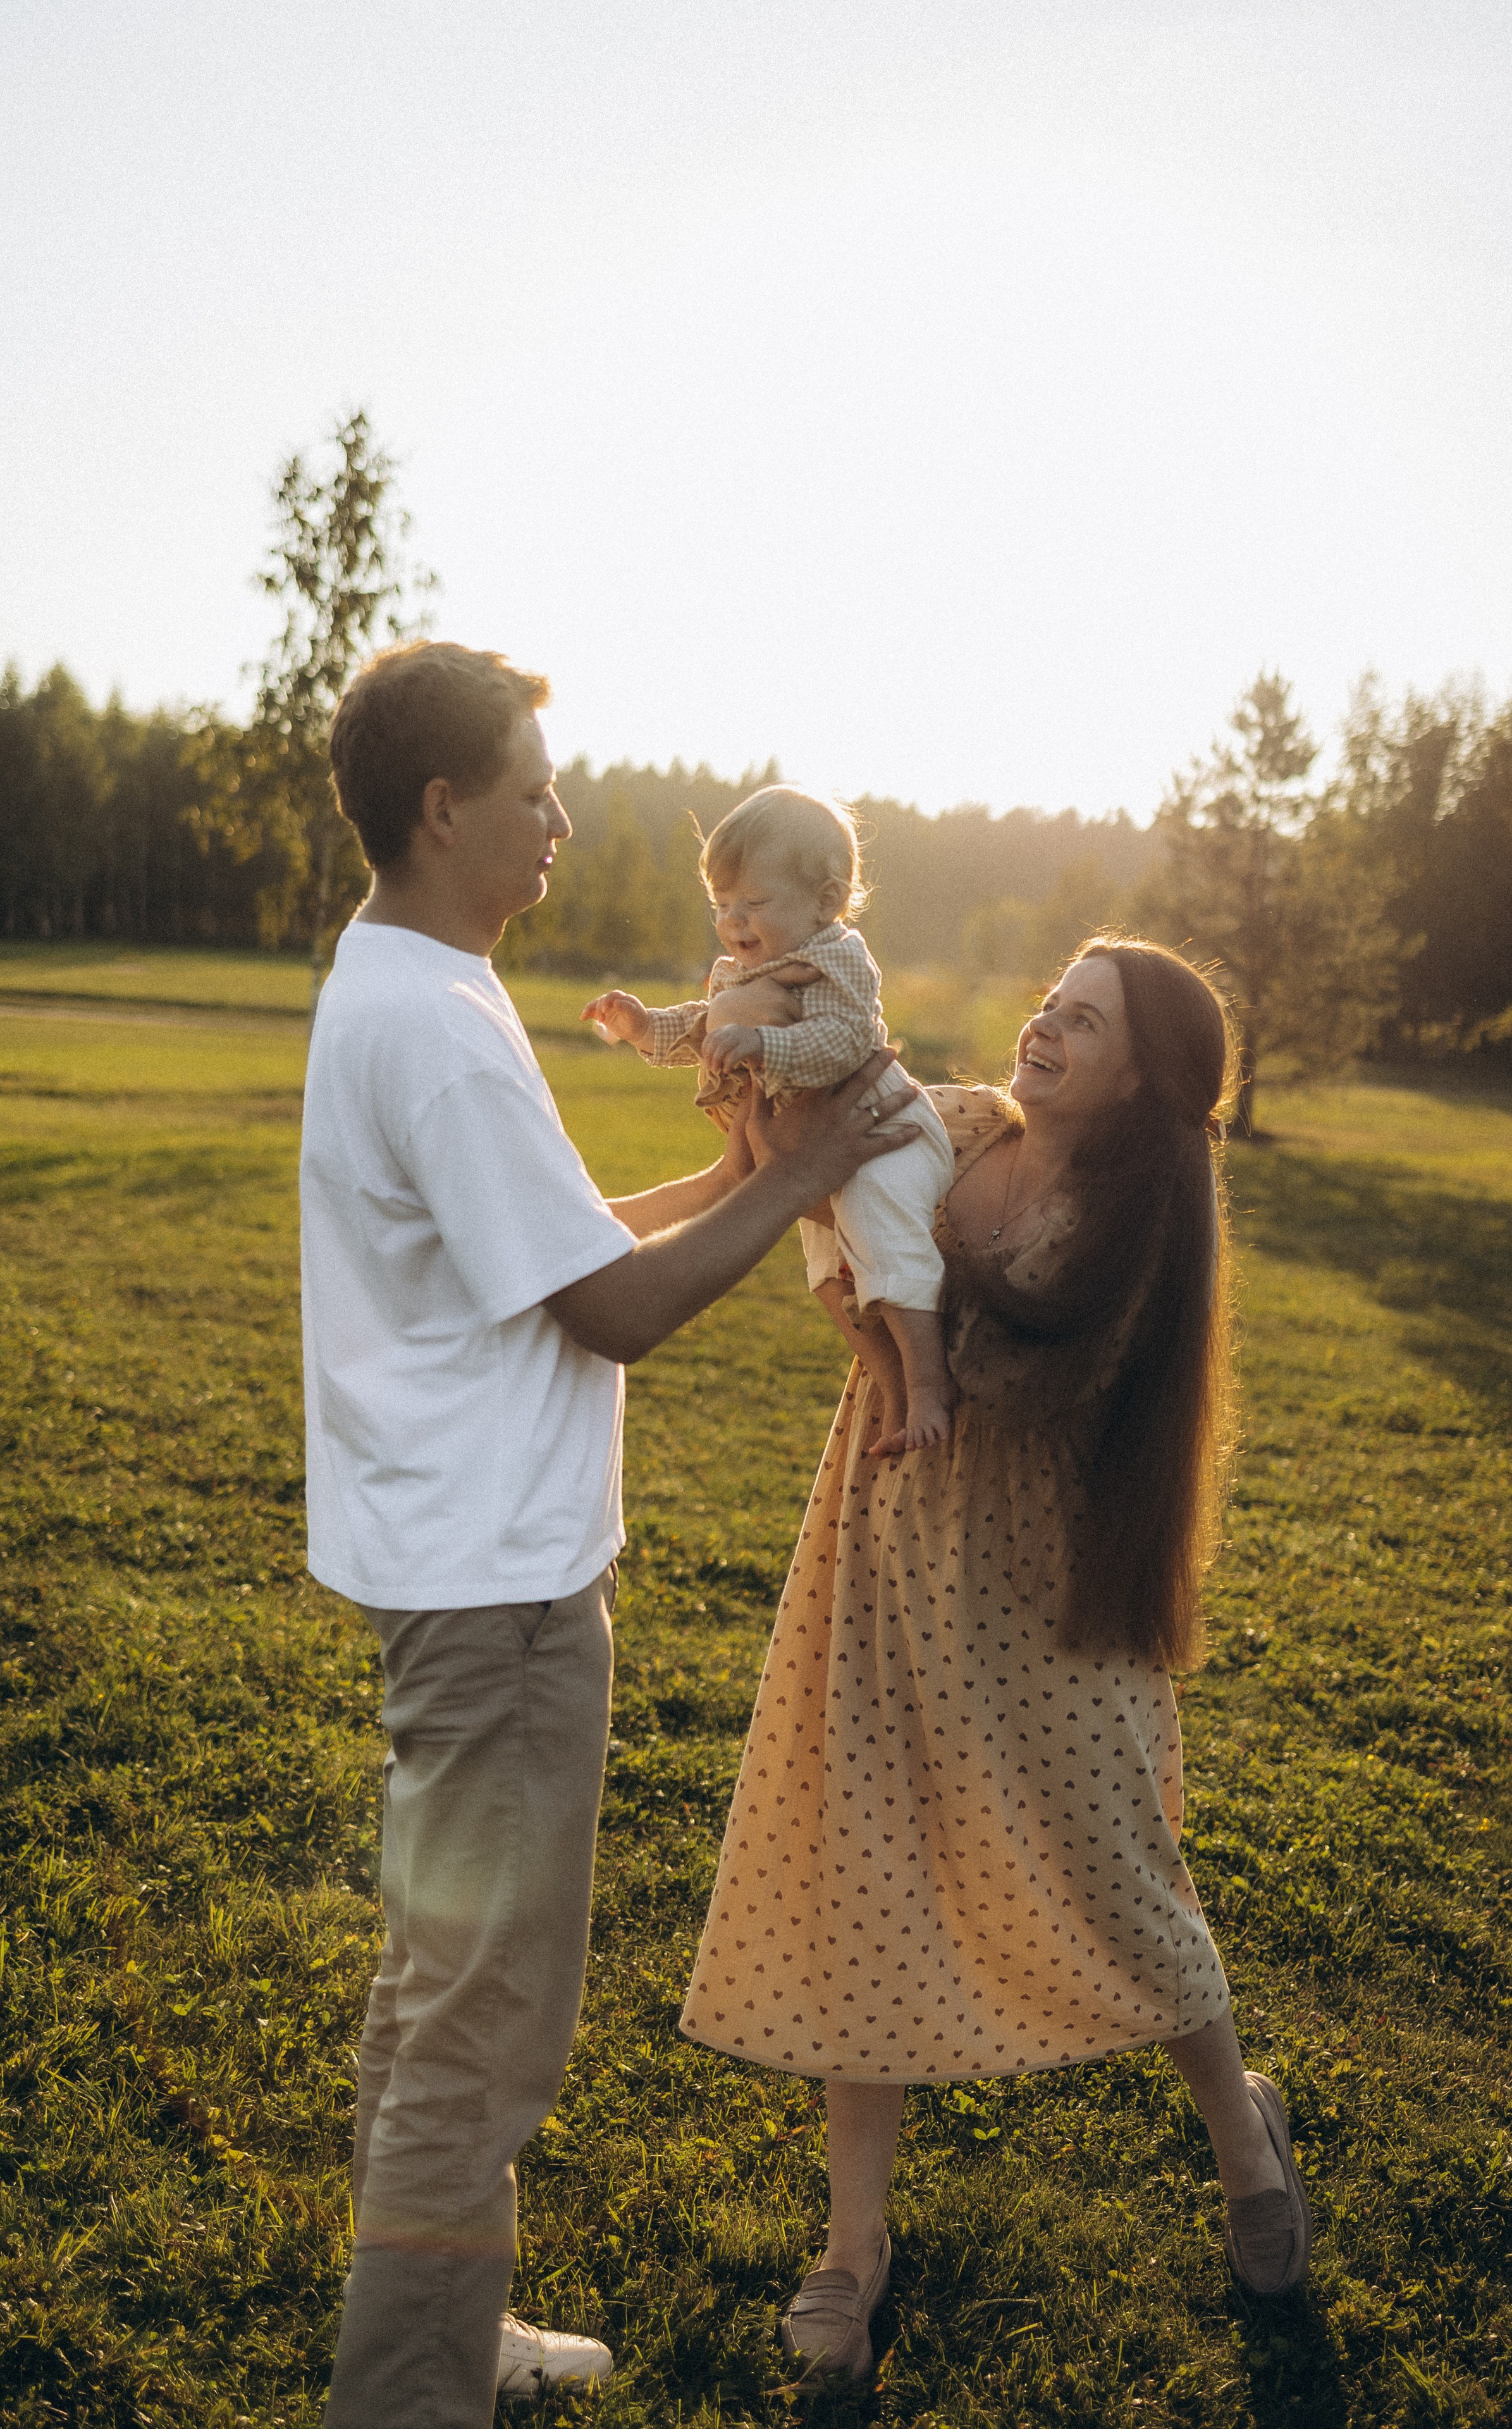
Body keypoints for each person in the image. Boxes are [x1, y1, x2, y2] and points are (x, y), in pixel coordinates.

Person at [300, 641, 918, 2429]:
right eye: (534, 789)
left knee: (440, 1988)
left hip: (452, 1559)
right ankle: (409, 2397)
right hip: (495, 1588)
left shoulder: (408, 978)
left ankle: (443, 2329)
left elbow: (554, 1241)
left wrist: (729, 1179)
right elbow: (613, 1310)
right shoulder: (439, 1027)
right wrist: (802, 1176)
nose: (561, 817)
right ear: (445, 807)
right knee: (483, 2024)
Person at [680, 936, 1313, 2382]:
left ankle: (1241, 2135)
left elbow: (1016, 1378)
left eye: (1080, 1021)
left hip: (1041, 1588)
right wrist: (754, 1057)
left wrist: (891, 1285)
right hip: (884, 1544)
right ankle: (852, 2245)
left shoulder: (1135, 1225)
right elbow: (811, 1174)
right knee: (865, 1871)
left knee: (1116, 1869)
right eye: (1045, 1003)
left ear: (1139, 1076)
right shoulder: (956, 1124)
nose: (1042, 1026)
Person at [582, 785, 957, 1456]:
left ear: (825, 901)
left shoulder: (837, 959)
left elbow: (845, 1040)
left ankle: (929, 1385)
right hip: (818, 1148)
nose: (733, 921)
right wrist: (643, 1027)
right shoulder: (745, 970)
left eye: (753, 903)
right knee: (827, 1277)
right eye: (721, 904)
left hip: (881, 1133)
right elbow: (706, 1026)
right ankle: (892, 1386)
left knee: (882, 1241)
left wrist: (762, 1044)